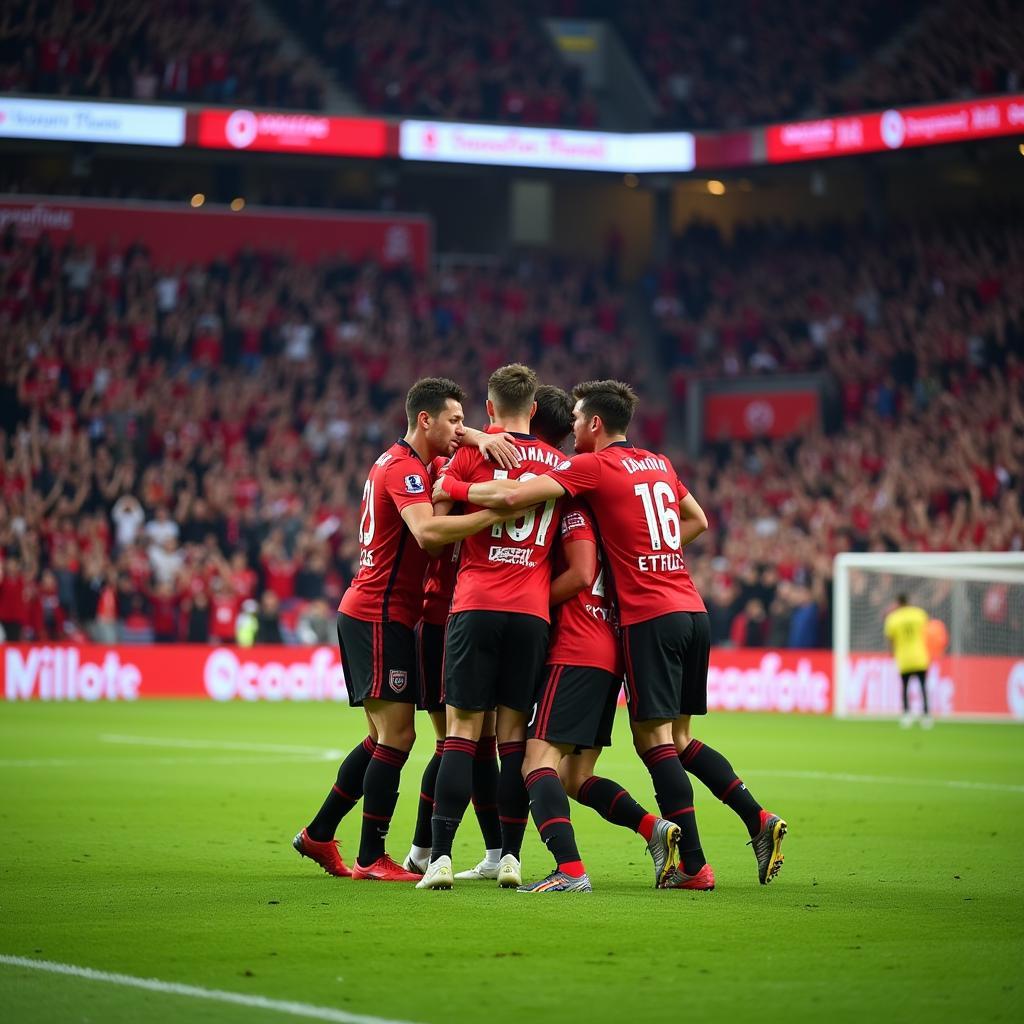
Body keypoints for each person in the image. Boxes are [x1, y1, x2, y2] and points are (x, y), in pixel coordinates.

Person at [449, 379, 788, 888]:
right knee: (617, 761)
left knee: (627, 748)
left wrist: (452, 484)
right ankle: (745, 821)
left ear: (594, 424)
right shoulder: (658, 463)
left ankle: (677, 866)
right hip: (686, 606)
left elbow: (520, 494)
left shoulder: (585, 474)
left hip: (631, 624)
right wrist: (645, 554)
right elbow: (696, 519)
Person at [293, 378, 519, 883]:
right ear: (425, 420)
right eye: (454, 420)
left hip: (382, 612)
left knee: (380, 737)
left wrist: (481, 438)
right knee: (397, 735)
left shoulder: (398, 461)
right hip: (379, 612)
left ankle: (320, 833)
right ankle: (372, 857)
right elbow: (429, 534)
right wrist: (493, 513)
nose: (461, 429)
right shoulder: (405, 471)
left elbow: (458, 454)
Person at [518, 386, 682, 893]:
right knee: (574, 776)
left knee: (536, 760)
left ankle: (570, 871)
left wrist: (526, 596)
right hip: (609, 645)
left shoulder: (576, 503)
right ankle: (656, 829)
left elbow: (579, 571)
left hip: (578, 645)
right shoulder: (624, 498)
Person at [416, 364, 567, 891]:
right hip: (531, 612)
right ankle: (511, 860)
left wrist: (455, 482)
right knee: (512, 740)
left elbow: (435, 528)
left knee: (460, 733)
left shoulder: (469, 453)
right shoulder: (559, 463)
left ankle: (438, 859)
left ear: (487, 407)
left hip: (475, 601)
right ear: (533, 409)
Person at [884, 593, 933, 729]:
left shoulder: (893, 618)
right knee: (923, 686)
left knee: (905, 687)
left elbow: (890, 639)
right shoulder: (919, 614)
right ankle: (926, 716)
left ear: (898, 603)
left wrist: (891, 653)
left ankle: (906, 715)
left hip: (904, 658)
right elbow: (929, 632)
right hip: (920, 656)